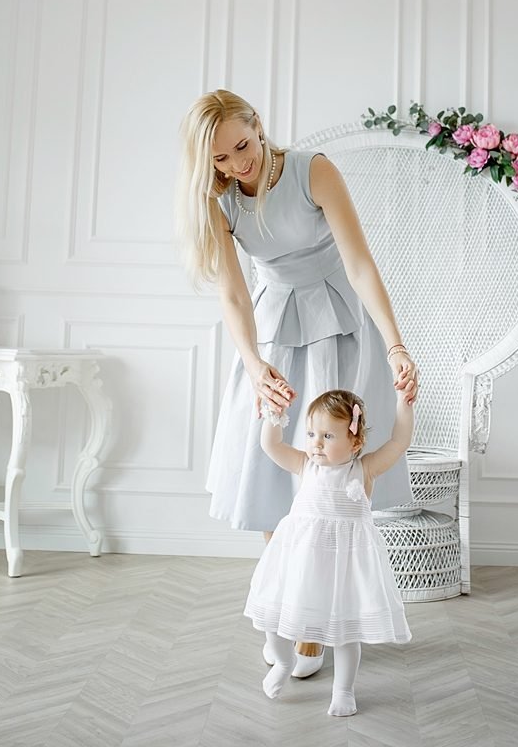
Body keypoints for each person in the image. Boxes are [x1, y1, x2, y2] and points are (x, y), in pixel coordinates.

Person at [177, 89, 418, 677]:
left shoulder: (314, 172)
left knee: (329, 472)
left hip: (337, 323)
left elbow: (360, 264)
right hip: (271, 331)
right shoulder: (217, 200)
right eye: (220, 158)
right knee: (270, 473)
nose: (237, 164)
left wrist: (395, 344)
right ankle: (290, 610)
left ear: (258, 126)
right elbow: (234, 295)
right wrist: (254, 364)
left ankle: (317, 622)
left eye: (242, 146)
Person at [245, 388, 413, 716]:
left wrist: (404, 404)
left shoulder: (364, 469)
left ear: (354, 440)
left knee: (345, 634)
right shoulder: (305, 465)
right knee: (275, 617)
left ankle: (344, 689)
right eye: (311, 434)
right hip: (301, 561)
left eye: (327, 436)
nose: (316, 443)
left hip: (344, 567)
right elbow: (271, 445)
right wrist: (274, 413)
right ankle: (283, 661)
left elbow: (399, 442)